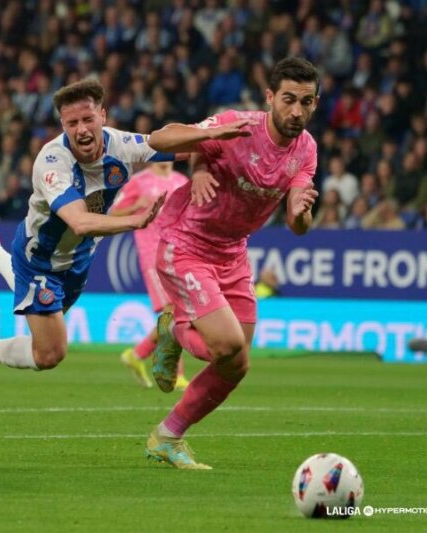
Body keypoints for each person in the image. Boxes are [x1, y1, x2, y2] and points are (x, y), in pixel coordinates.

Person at [0, 78, 171, 407]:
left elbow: (165, 142)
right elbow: (80, 222)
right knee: (50, 351)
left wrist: (214, 135)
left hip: (77, 257)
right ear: (63, 125)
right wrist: (135, 221)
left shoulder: (119, 144)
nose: (81, 129)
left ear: (103, 116)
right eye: (72, 123)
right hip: (40, 257)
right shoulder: (52, 161)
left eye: (87, 119)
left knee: (47, 323)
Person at [144, 57, 320, 469]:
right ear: (270, 97)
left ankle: (167, 437)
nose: (297, 111)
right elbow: (160, 139)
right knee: (225, 344)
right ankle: (171, 329)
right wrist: (204, 153)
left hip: (232, 253)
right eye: (289, 99)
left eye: (307, 102)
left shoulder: (307, 149)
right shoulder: (237, 123)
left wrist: (301, 211)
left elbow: (298, 225)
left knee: (237, 363)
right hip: (186, 241)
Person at [110, 161, 190, 389]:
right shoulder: (139, 182)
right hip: (152, 255)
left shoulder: (181, 181)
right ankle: (175, 373)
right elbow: (114, 212)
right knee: (172, 311)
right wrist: (137, 205)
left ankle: (137, 354)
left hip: (178, 254)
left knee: (179, 312)